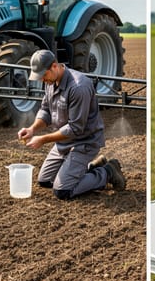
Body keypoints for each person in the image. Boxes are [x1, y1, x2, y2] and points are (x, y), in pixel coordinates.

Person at [17, 49, 126, 199]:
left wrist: (42, 139)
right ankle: (89, 167)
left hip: (84, 142)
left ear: (54, 66)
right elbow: (46, 110)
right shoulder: (50, 81)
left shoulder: (78, 87)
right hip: (64, 142)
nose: (42, 80)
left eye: (43, 75)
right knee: (45, 181)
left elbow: (75, 128)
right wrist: (32, 129)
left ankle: (107, 172)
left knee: (63, 191)